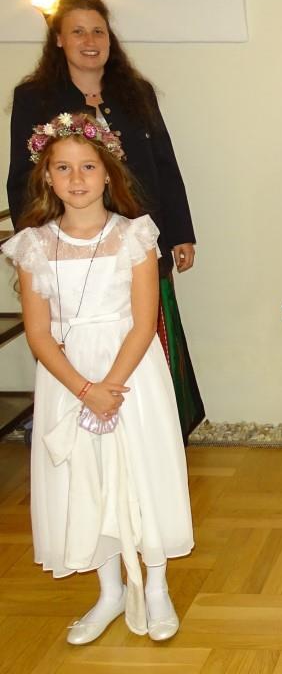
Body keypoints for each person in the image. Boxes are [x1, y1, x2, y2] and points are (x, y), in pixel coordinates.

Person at [2, 113, 194, 644]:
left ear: (108, 172)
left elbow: (144, 320)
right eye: (63, 168)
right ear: (46, 176)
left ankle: (156, 584)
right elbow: (38, 332)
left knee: (141, 471)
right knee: (87, 477)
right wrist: (86, 390)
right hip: (69, 379)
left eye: (88, 166)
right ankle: (110, 591)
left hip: (131, 373)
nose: (77, 178)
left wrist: (110, 386)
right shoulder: (33, 245)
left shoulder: (135, 235)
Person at [7, 0, 205, 439]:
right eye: (77, 31)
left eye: (98, 31)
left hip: (139, 243)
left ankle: (155, 435)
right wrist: (34, 250)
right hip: (69, 251)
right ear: (58, 39)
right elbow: (21, 179)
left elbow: (165, 164)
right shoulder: (33, 96)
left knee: (151, 336)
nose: (90, 40)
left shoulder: (137, 93)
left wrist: (180, 232)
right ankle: (82, 421)